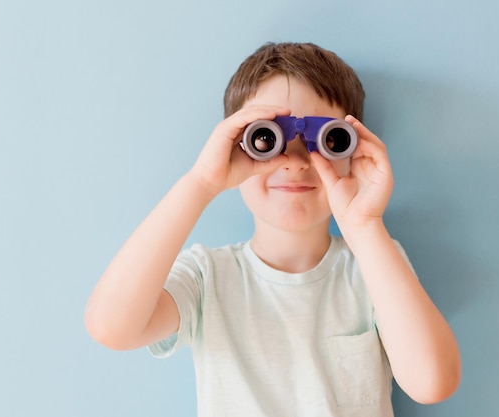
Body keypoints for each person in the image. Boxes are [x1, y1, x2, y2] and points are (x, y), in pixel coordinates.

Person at [84, 42, 461, 416]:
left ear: (352, 151)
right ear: (234, 145)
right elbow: (112, 328)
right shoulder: (206, 278)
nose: (295, 163)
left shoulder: (374, 265)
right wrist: (200, 183)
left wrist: (364, 226)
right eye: (267, 138)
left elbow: (432, 382)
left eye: (327, 140)